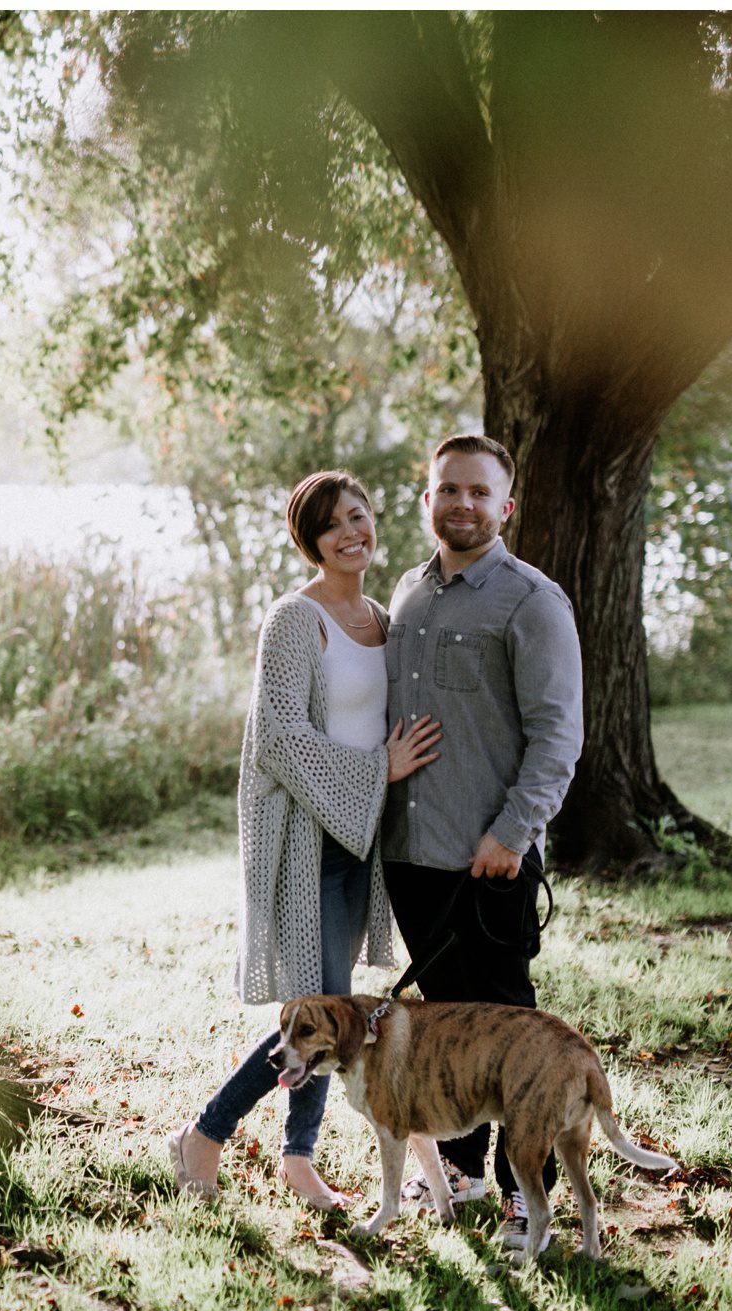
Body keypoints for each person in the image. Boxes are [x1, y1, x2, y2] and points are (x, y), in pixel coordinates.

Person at [169, 470, 441, 1211]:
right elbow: (282, 741)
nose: (352, 532)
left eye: (360, 516)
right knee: (321, 1015)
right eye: (332, 526)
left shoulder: (385, 618)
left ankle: (297, 1158)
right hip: (305, 841)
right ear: (311, 542)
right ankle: (207, 1134)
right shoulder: (295, 620)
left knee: (327, 1012)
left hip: (364, 843)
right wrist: (376, 767)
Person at [381, 433, 583, 1248]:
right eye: (446, 489)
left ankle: (520, 1190)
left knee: (508, 1028)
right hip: (410, 856)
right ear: (426, 499)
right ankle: (462, 1168)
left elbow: (558, 736)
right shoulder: (406, 596)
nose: (460, 503)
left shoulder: (532, 601)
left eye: (478, 492)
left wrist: (511, 832)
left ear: (506, 506)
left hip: (489, 859)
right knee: (441, 1024)